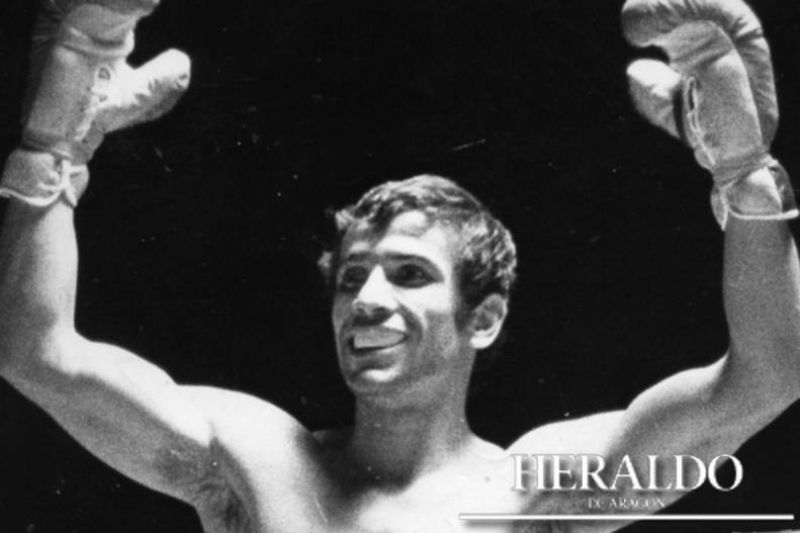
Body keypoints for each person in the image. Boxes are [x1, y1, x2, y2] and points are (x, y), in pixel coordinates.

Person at [0, 0, 798, 532]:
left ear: (483, 317)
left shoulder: (533, 491)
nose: (367, 300)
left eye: (410, 273)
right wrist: (53, 153)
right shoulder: (252, 457)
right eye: (352, 277)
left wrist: (748, 181)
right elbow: (39, 354)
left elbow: (767, 377)